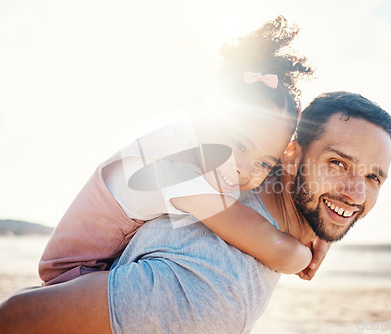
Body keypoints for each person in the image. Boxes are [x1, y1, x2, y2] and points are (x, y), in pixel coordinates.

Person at [0, 91, 391, 333]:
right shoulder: (213, 294)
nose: (356, 192)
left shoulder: (251, 169)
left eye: (374, 177)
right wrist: (307, 246)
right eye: (338, 164)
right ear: (293, 155)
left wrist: (322, 232)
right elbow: (12, 320)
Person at [38, 15, 324, 287]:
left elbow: (286, 178)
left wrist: (321, 231)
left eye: (263, 163)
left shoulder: (211, 145)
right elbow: (278, 252)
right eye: (239, 146)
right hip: (74, 276)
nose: (245, 170)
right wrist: (305, 254)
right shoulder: (175, 168)